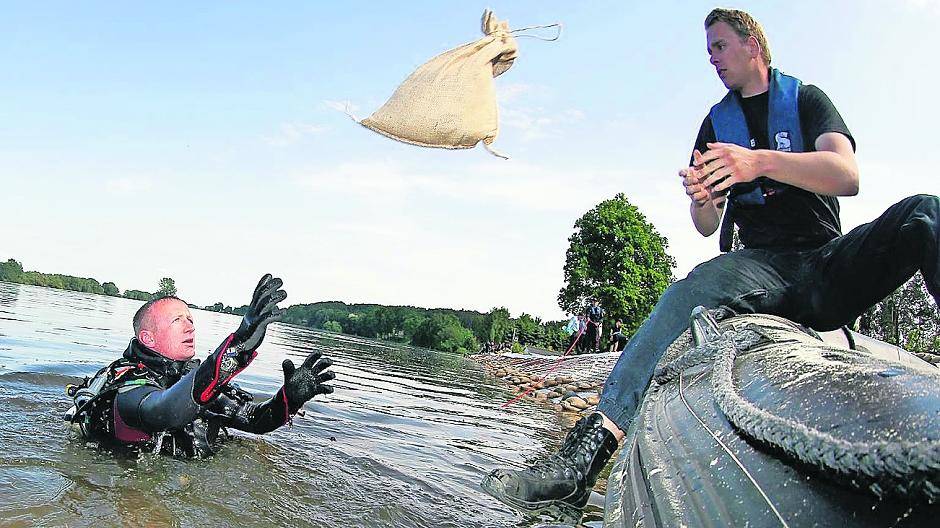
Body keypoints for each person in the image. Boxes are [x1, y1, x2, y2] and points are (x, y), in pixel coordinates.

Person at [481, 7, 939, 515]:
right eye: (708, 51)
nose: (712, 59)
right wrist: (703, 197)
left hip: (827, 260)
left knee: (925, 213)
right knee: (686, 290)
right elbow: (704, 224)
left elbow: (846, 175)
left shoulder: (807, 100)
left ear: (752, 45)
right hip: (761, 268)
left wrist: (758, 161)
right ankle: (580, 463)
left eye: (719, 46)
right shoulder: (714, 124)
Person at [66, 274, 336, 458]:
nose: (190, 324)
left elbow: (254, 420)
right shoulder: (128, 385)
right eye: (177, 321)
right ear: (147, 338)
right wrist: (236, 345)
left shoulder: (195, 376)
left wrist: (289, 398)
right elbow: (165, 410)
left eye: (190, 318)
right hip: (127, 478)